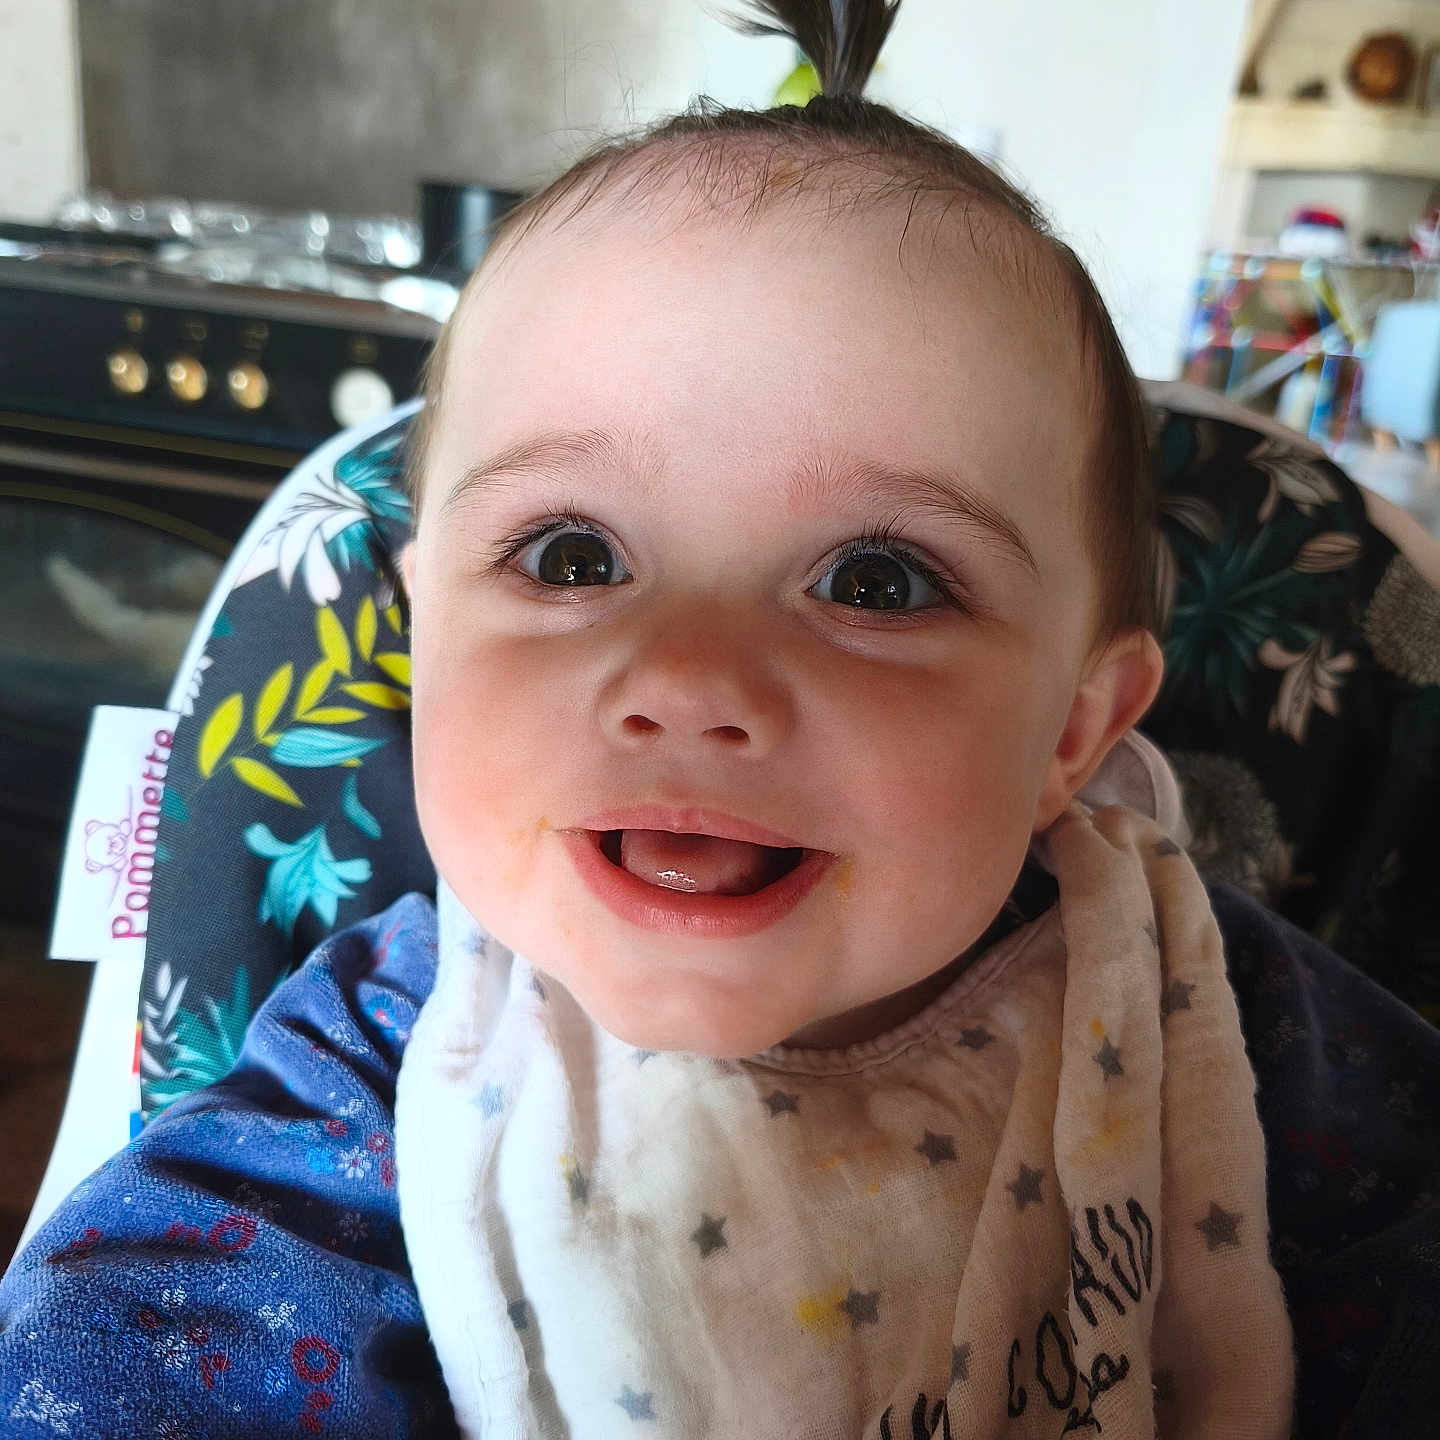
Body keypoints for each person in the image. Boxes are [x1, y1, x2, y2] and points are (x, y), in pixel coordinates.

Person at [4, 2, 1438, 1435]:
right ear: (423, 635)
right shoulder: (393, 1059)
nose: (689, 679)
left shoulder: (1203, 1008)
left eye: (875, 581)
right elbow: (130, 1332)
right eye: (571, 557)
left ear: (1073, 733)